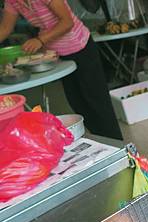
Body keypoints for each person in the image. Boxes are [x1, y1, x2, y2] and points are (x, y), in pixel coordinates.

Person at [0, 0, 123, 140]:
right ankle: (105, 146)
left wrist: (40, 40)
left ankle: (119, 148)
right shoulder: (12, 1)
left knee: (98, 104)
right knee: (79, 104)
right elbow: (5, 28)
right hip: (59, 55)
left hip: (80, 47)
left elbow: (67, 22)